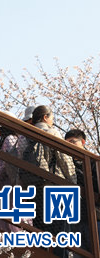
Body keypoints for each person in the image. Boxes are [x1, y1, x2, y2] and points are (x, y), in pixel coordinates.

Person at [18, 105, 76, 245]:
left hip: (32, 187)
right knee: (58, 229)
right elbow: (64, 159)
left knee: (39, 227)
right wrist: (74, 182)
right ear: (45, 117)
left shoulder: (24, 136)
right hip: (53, 185)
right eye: (52, 118)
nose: (53, 122)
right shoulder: (52, 132)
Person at [64, 129, 99, 253]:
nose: (70, 145)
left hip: (95, 216)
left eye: (73, 141)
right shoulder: (67, 163)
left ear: (82, 142)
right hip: (76, 217)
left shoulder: (94, 162)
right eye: (67, 142)